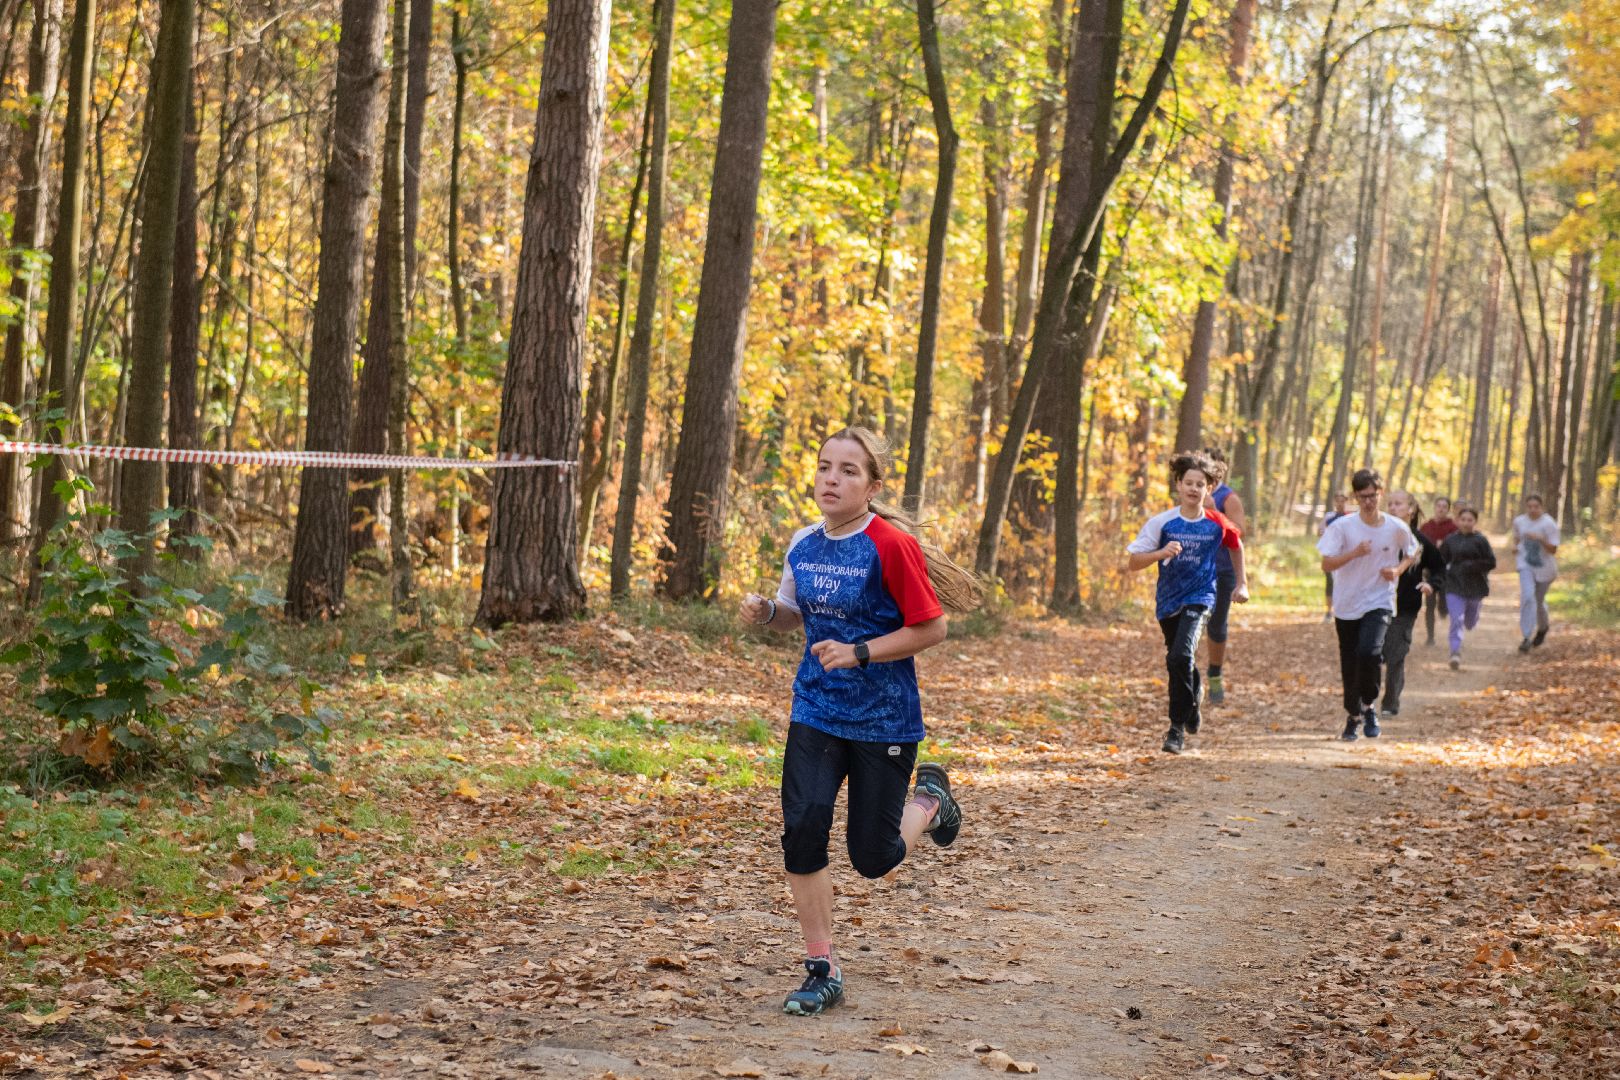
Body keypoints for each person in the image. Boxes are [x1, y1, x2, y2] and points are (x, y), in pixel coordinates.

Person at [738, 426, 980, 1017]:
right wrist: (768, 612)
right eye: (824, 467)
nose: (831, 479)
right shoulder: (803, 543)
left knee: (874, 858)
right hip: (816, 709)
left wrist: (862, 651)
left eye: (848, 470)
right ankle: (822, 967)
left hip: (884, 719)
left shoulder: (889, 545)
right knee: (803, 825)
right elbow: (796, 616)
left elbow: (933, 627)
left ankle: (929, 799)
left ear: (872, 485)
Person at [1127, 451, 1249, 755]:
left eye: (1201, 484)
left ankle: (1175, 729)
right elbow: (1133, 562)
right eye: (1189, 483)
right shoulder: (1162, 522)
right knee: (1179, 657)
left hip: (1202, 596)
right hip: (1168, 600)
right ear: (1178, 485)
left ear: (1209, 488)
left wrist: (1241, 583)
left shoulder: (1216, 522)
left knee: (1179, 657)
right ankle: (1194, 697)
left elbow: (1237, 545)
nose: (1195, 489)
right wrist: (1161, 553)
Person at [1317, 469, 1418, 741]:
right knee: (1350, 662)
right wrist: (1354, 553)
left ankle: (1370, 704)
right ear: (1355, 497)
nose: (1368, 502)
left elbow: (1412, 551)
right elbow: (1326, 563)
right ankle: (1354, 715)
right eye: (1362, 497)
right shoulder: (1342, 527)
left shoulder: (1395, 527)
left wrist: (1398, 570)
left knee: (1369, 652)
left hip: (1379, 600)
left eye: (1373, 496)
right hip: (1347, 603)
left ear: (1380, 493)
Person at [1380, 491, 1444, 716]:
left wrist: (1431, 585)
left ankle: (1390, 703)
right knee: (1374, 652)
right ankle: (1366, 700)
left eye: (1398, 504)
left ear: (1411, 509)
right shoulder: (1379, 536)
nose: (1392, 507)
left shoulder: (1420, 541)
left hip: (1406, 605)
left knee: (1395, 652)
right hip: (1376, 602)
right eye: (1389, 504)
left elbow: (1438, 567)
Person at [1200, 447, 1246, 705]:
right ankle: (1189, 676)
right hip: (1194, 568)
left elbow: (1240, 532)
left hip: (1222, 569)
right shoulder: (1191, 490)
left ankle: (1215, 674)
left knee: (1216, 625)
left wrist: (1215, 512)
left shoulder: (1228, 498)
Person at [1439, 506, 1496, 669]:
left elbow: (1491, 562)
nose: (1465, 523)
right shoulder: (1450, 540)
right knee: (1456, 619)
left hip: (1475, 587)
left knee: (1469, 622)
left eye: (1469, 520)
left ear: (1475, 522)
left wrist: (1472, 565)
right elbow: (1441, 560)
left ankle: (1472, 620)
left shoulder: (1481, 540)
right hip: (1454, 586)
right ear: (1457, 521)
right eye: (1462, 519)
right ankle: (1455, 652)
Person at [1511, 494, 1561, 653]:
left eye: (1536, 507)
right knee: (1527, 596)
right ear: (1526, 507)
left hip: (1545, 568)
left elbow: (1553, 550)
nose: (1532, 510)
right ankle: (1526, 636)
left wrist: (1540, 539)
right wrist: (1514, 547)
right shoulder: (1519, 521)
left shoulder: (1549, 524)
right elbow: (1516, 538)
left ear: (1541, 507)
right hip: (1525, 564)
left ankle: (1543, 627)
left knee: (1538, 603)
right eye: (1529, 506)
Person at [1418, 497, 1458, 646]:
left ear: (1448, 509)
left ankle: (1444, 608)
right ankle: (1430, 637)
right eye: (1439, 506)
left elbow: (1457, 547)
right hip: (1429, 570)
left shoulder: (1453, 527)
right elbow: (1419, 545)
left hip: (1446, 570)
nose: (1441, 509)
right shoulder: (1426, 526)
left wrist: (1445, 545)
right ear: (1434, 507)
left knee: (1444, 600)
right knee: (1429, 604)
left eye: (1444, 506)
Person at [1317, 491, 1351, 622]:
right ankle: (1328, 611)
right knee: (1330, 583)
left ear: (1347, 501)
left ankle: (1343, 608)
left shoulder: (1351, 517)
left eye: (1343, 500)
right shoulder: (1329, 516)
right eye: (1338, 500)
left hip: (1345, 556)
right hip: (1331, 555)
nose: (1340, 503)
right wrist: (1322, 532)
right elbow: (1320, 531)